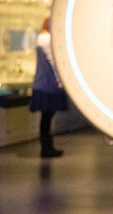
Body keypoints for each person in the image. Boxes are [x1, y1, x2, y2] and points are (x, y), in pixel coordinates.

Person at [30, 17, 69, 158]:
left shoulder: (43, 39)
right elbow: (53, 62)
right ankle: (46, 148)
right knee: (46, 118)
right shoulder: (46, 39)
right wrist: (60, 80)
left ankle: (47, 147)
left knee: (46, 118)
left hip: (45, 84)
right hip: (47, 85)